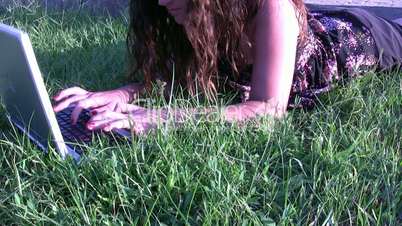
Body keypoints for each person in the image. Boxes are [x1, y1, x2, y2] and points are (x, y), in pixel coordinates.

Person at [53, 0, 402, 135]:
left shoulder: (272, 6)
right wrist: (123, 93)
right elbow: (181, 71)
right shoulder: (197, 12)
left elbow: (267, 108)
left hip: (365, 36)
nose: (160, 0)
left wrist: (160, 117)